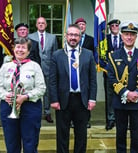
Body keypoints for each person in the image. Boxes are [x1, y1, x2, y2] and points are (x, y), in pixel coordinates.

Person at [48, 24, 97, 153]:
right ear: (66, 36)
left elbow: (92, 79)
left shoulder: (88, 54)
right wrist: (54, 99)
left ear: (80, 37)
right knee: (62, 134)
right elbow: (52, 80)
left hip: (82, 100)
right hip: (63, 100)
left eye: (76, 35)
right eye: (71, 35)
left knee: (81, 134)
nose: (73, 38)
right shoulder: (57, 55)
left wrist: (92, 99)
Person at [107, 21, 138, 153]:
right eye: (126, 34)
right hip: (121, 101)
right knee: (120, 134)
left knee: (135, 134)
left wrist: (137, 93)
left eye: (132, 35)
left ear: (136, 37)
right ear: (121, 36)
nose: (129, 37)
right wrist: (126, 93)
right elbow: (111, 78)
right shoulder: (114, 56)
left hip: (137, 101)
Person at [0, 37, 46, 153]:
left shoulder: (35, 66)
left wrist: (25, 96)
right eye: (18, 47)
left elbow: (41, 88)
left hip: (30, 107)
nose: (20, 50)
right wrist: (6, 96)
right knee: (11, 142)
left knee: (30, 142)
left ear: (28, 51)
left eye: (23, 48)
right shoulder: (5, 66)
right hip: (8, 107)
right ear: (14, 49)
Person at [28, 16, 58, 123]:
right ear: (36, 25)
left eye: (43, 23)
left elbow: (55, 54)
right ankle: (35, 112)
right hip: (34, 68)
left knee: (47, 91)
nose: (41, 24)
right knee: (33, 90)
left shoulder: (52, 37)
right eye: (39, 23)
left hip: (48, 68)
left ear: (46, 25)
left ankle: (47, 112)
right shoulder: (30, 37)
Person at [74, 17, 95, 128]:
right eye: (79, 24)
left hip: (86, 70)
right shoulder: (72, 39)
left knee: (86, 97)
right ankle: (74, 120)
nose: (81, 26)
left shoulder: (91, 40)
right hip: (73, 69)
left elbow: (93, 54)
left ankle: (86, 120)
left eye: (83, 24)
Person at [104, 19, 123, 130]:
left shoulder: (123, 38)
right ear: (110, 28)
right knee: (110, 97)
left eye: (117, 25)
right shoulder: (104, 40)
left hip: (122, 74)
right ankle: (110, 119)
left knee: (122, 95)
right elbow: (102, 55)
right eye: (113, 26)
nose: (115, 27)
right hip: (109, 73)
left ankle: (121, 119)